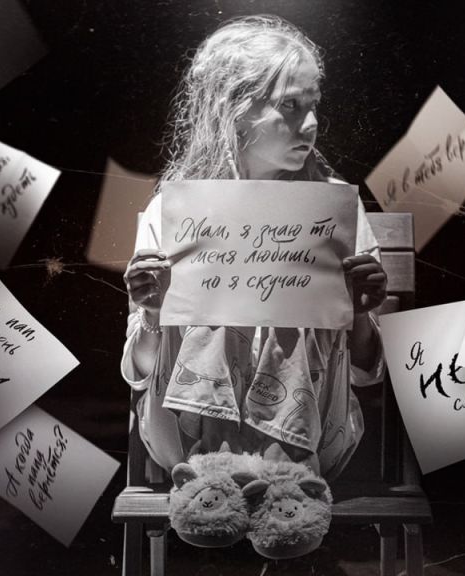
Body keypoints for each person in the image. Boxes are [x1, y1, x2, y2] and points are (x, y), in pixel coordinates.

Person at [120, 14, 387, 489]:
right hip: (186, 440)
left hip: (311, 438)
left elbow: (366, 374)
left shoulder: (334, 208)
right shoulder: (176, 211)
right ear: (235, 109)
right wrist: (154, 313)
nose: (311, 124)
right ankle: (221, 469)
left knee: (291, 311)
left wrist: (360, 313)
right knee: (217, 310)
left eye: (313, 105)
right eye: (289, 105)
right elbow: (140, 372)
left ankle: (273, 470)